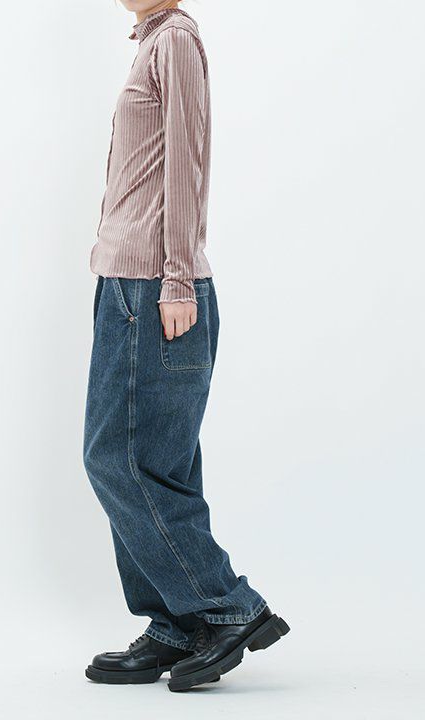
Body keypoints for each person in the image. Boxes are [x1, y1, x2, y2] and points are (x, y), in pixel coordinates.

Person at [82, 1, 289, 692]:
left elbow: (186, 166)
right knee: (158, 465)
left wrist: (176, 281)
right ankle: (176, 620)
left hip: (155, 288)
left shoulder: (176, 40)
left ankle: (228, 606)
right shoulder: (150, 43)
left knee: (117, 460)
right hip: (126, 282)